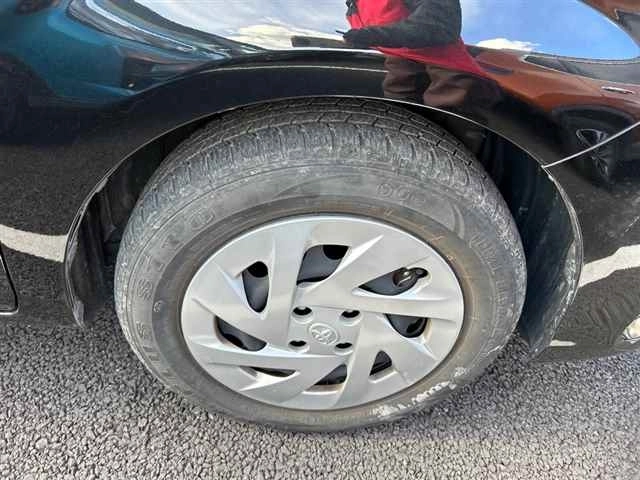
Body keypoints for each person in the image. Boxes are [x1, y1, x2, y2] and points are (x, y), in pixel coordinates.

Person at [343, 0, 499, 112]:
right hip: (402, 69)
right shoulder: (355, 6)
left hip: (448, 73)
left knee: (449, 121)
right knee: (399, 116)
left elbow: (439, 24)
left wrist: (375, 35)